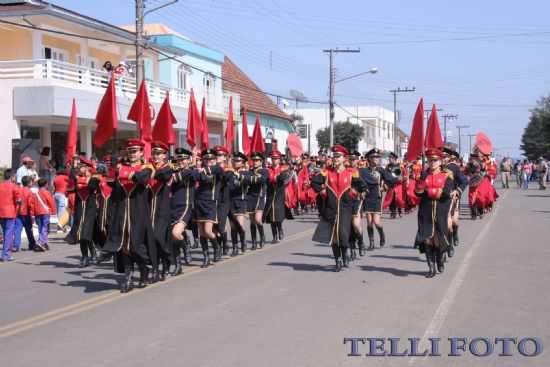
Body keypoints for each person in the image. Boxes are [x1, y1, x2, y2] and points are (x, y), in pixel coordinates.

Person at [103, 139, 156, 292]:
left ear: (141, 152)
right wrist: (113, 168)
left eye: (135, 151)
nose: (132, 154)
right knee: (124, 246)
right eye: (130, 151)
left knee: (136, 245)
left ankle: (144, 269)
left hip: (139, 211)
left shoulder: (147, 167)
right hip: (122, 211)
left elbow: (143, 179)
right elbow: (111, 185)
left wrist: (125, 171)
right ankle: (128, 278)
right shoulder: (122, 167)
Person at [311, 145, 365, 271]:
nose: (335, 158)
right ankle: (338, 260)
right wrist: (322, 191)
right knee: (334, 237)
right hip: (331, 208)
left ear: (344, 158)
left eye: (338, 156)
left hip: (346, 209)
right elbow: (314, 182)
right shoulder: (327, 172)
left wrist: (354, 192)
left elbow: (362, 187)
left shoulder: (352, 173)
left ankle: (345, 252)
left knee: (344, 236)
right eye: (334, 156)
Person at [413, 148, 454, 278]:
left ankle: (440, 259)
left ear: (440, 161)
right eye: (430, 160)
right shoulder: (424, 175)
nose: (432, 163)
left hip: (440, 211)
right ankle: (431, 268)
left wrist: (428, 190)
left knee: (438, 240)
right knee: (427, 240)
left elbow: (446, 193)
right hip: (425, 211)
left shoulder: (447, 175)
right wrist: (420, 187)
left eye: (435, 160)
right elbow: (417, 192)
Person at [359, 148, 397, 251]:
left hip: (377, 197)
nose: (376, 159)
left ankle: (381, 234)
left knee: (376, 222)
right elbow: (358, 182)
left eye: (377, 157)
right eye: (374, 157)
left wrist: (385, 187)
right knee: (369, 222)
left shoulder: (381, 170)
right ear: (369, 159)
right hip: (367, 198)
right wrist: (360, 192)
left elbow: (391, 180)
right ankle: (371, 242)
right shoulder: (363, 170)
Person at [65, 161, 100, 267]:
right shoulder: (76, 179)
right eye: (80, 167)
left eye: (83, 167)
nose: (81, 168)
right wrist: (72, 178)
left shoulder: (94, 179)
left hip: (90, 209)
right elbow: (70, 190)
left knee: (86, 233)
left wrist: (89, 176)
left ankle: (93, 253)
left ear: (89, 168)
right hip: (80, 209)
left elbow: (93, 188)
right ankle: (85, 256)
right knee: (81, 234)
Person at [148, 141, 174, 281]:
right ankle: (155, 268)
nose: (156, 156)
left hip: (163, 210)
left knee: (159, 238)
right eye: (154, 153)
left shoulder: (168, 167)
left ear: (165, 155)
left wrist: (148, 172)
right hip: (149, 209)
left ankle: (166, 262)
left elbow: (162, 176)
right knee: (151, 240)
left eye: (159, 154)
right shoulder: (149, 167)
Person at [194, 148, 224, 267]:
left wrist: (202, 170)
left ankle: (217, 248)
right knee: (202, 233)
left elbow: (214, 170)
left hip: (210, 202)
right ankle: (206, 257)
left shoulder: (217, 168)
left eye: (211, 159)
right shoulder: (200, 169)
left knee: (208, 231)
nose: (209, 161)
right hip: (199, 202)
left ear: (215, 159)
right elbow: (195, 176)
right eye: (206, 159)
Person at [171, 148, 198, 271]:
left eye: (184, 159)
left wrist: (194, 161)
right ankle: (178, 265)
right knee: (173, 238)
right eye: (179, 159)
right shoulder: (173, 170)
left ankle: (186, 246)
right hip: (171, 207)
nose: (181, 161)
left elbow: (193, 174)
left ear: (189, 160)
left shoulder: (191, 172)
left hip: (185, 207)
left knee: (176, 233)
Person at [442, 147, 468, 257]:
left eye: (444, 157)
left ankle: (453, 239)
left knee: (453, 222)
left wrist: (457, 191)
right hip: (438, 199)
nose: (442, 159)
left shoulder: (454, 168)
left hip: (452, 198)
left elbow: (464, 181)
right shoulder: (434, 169)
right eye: (440, 157)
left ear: (448, 158)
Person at [263, 150, 291, 243]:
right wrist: (275, 177)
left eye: (276, 159)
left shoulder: (283, 169)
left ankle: (280, 229)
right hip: (270, 194)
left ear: (279, 160)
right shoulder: (268, 169)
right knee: (271, 217)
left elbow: (283, 178)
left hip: (279, 194)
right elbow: (267, 178)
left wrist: (276, 177)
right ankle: (274, 236)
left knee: (278, 215)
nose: (274, 160)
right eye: (273, 158)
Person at [227, 152, 252, 256]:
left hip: (241, 201)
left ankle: (243, 242)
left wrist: (237, 174)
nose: (236, 162)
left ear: (243, 163)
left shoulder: (246, 173)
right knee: (233, 227)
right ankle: (235, 247)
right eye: (234, 160)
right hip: (231, 201)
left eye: (238, 161)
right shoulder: (229, 173)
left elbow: (248, 181)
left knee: (240, 225)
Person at [247, 152, 268, 250]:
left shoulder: (264, 171)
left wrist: (252, 177)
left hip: (260, 197)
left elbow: (262, 180)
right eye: (253, 160)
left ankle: (262, 237)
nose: (255, 162)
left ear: (261, 161)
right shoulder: (249, 171)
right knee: (252, 221)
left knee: (258, 219)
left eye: (257, 160)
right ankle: (254, 242)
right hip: (250, 197)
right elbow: (246, 180)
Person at [29, 178, 56, 252]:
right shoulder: (47, 192)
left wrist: (33, 214)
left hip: (37, 212)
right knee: (45, 227)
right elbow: (51, 202)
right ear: (46, 184)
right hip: (45, 212)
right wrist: (54, 211)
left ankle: (45, 242)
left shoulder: (35, 193)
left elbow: (32, 204)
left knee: (40, 228)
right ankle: (40, 242)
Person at [0, 169, 21, 261]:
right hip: (10, 213)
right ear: (12, 177)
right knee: (8, 234)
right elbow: (18, 200)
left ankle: (7, 254)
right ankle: (5, 255)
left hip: (1, 212)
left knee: (5, 233)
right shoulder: (14, 187)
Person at [14, 176, 36, 252]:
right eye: (31, 182)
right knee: (29, 230)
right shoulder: (30, 192)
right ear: (29, 183)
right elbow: (31, 205)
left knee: (17, 230)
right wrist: (32, 215)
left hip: (18, 213)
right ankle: (32, 244)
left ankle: (16, 245)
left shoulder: (18, 190)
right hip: (26, 213)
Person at [53, 166, 70, 230]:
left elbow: (53, 186)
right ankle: (61, 225)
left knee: (57, 211)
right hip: (62, 194)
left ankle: (57, 225)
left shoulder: (56, 177)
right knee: (62, 211)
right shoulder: (65, 177)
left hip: (55, 194)